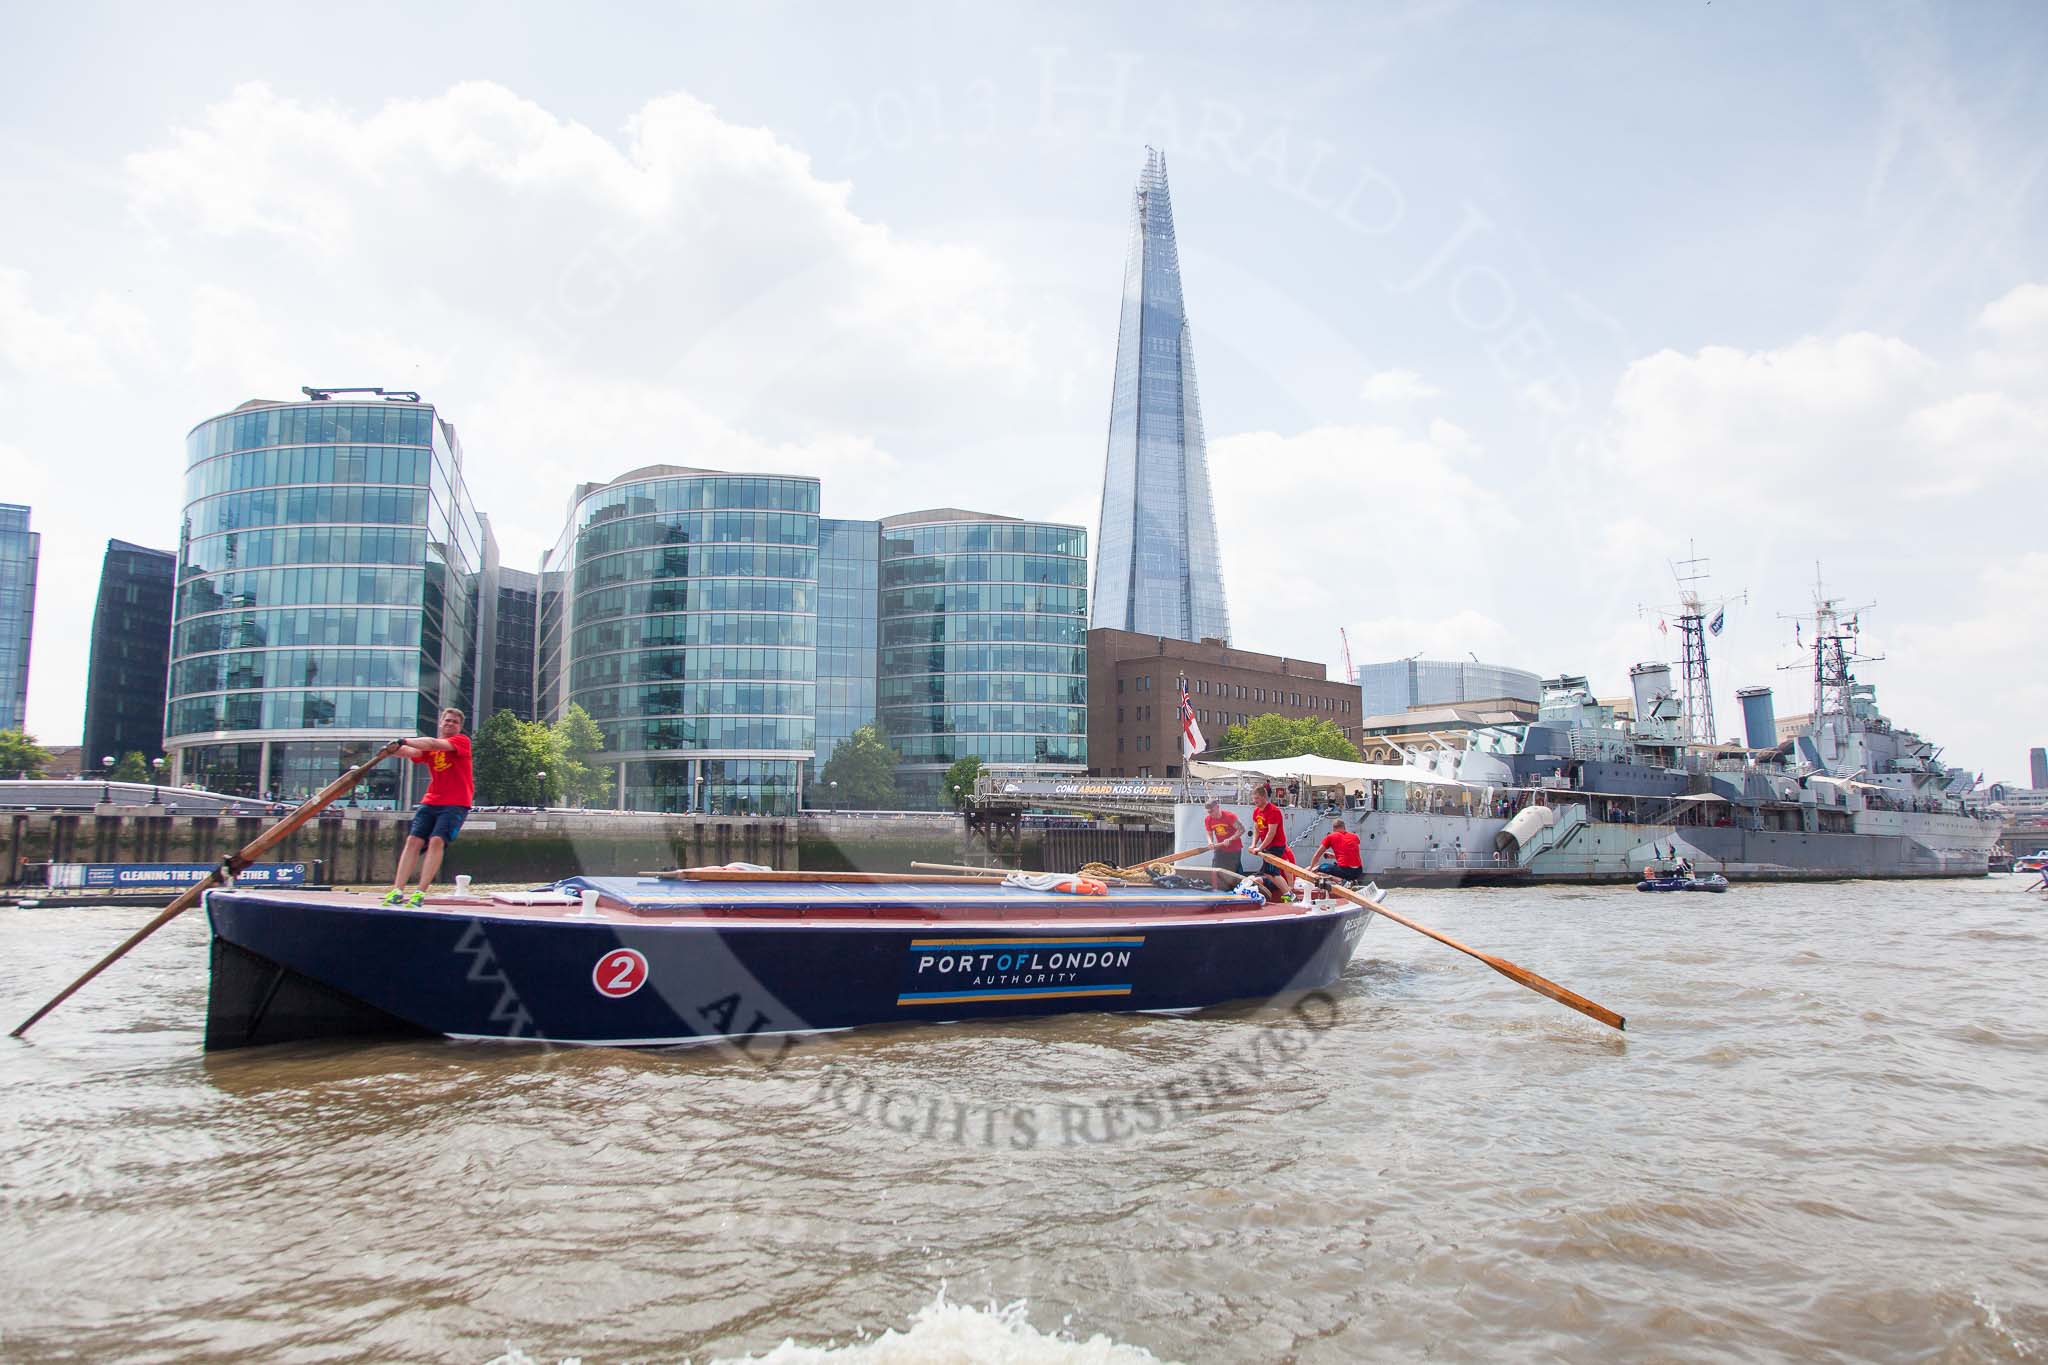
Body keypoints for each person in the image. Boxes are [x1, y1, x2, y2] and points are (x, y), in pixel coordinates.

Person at [385, 708, 474, 907]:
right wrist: (392, 749)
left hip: (456, 802)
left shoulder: (461, 742)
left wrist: (404, 740)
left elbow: (432, 743)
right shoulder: (429, 748)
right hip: (431, 800)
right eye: (447, 720)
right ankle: (397, 890)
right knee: (413, 840)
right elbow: (413, 752)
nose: (450, 724)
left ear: (459, 727)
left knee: (436, 841)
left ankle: (419, 892)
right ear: (441, 723)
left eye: (455, 722)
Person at [1248, 784, 1295, 901]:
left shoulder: (1273, 811)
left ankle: (1290, 895)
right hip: (1267, 846)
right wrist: (1253, 844)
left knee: (1271, 872)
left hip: (1276, 846)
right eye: (1254, 798)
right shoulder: (1257, 811)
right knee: (1268, 872)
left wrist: (1260, 848)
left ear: (1264, 797)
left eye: (1257, 798)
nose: (1255, 801)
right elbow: (1257, 829)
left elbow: (1271, 833)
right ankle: (1288, 893)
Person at [1313, 819, 1365, 885]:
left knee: (1318, 869)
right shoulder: (1355, 837)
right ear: (1344, 827)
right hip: (1358, 872)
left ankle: (1341, 881)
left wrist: (1312, 868)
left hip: (1345, 871)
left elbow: (1317, 855)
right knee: (1338, 867)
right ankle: (1351, 881)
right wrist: (1334, 856)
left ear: (1334, 828)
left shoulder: (1331, 837)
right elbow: (1350, 854)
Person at [1202, 800, 1245, 873]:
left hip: (1234, 849)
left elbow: (1241, 830)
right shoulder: (1208, 819)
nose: (1210, 814)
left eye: (1212, 811)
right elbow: (1209, 833)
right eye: (1208, 812)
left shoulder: (1229, 816)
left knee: (1233, 873)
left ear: (1217, 807)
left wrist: (1230, 839)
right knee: (1215, 871)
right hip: (1220, 848)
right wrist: (1210, 842)